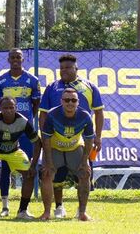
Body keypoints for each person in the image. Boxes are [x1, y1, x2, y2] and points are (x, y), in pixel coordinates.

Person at [39, 53, 104, 219]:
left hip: (77, 140)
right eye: (61, 68)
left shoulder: (89, 86)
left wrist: (98, 136)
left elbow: (98, 112)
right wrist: (44, 135)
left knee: (84, 172)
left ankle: (81, 212)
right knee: (52, 174)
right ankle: (57, 208)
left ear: (76, 68)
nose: (64, 71)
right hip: (54, 140)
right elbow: (43, 115)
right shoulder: (52, 87)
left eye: (68, 67)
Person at [0, 48, 41, 215]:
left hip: (24, 129)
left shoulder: (32, 80)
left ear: (23, 59)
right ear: (8, 60)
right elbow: (1, 105)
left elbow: (35, 104)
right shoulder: (1, 81)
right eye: (12, 57)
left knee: (27, 167)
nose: (15, 60)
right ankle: (5, 207)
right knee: (5, 166)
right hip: (7, 130)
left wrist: (25, 120)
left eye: (18, 57)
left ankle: (23, 209)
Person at [0, 97, 41, 219]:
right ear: (0, 108)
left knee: (29, 174)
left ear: (16, 108)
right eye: (5, 108)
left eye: (11, 107)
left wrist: (33, 164)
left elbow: (37, 142)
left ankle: (23, 211)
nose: (8, 110)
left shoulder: (23, 121)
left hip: (13, 150)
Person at [40, 88, 95, 221]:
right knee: (47, 174)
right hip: (55, 148)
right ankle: (47, 212)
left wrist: (84, 161)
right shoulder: (52, 114)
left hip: (75, 148)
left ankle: (82, 213)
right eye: (66, 100)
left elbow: (89, 140)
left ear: (78, 102)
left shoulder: (85, 116)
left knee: (85, 173)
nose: (70, 103)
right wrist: (48, 162)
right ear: (61, 101)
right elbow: (45, 139)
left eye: (73, 100)